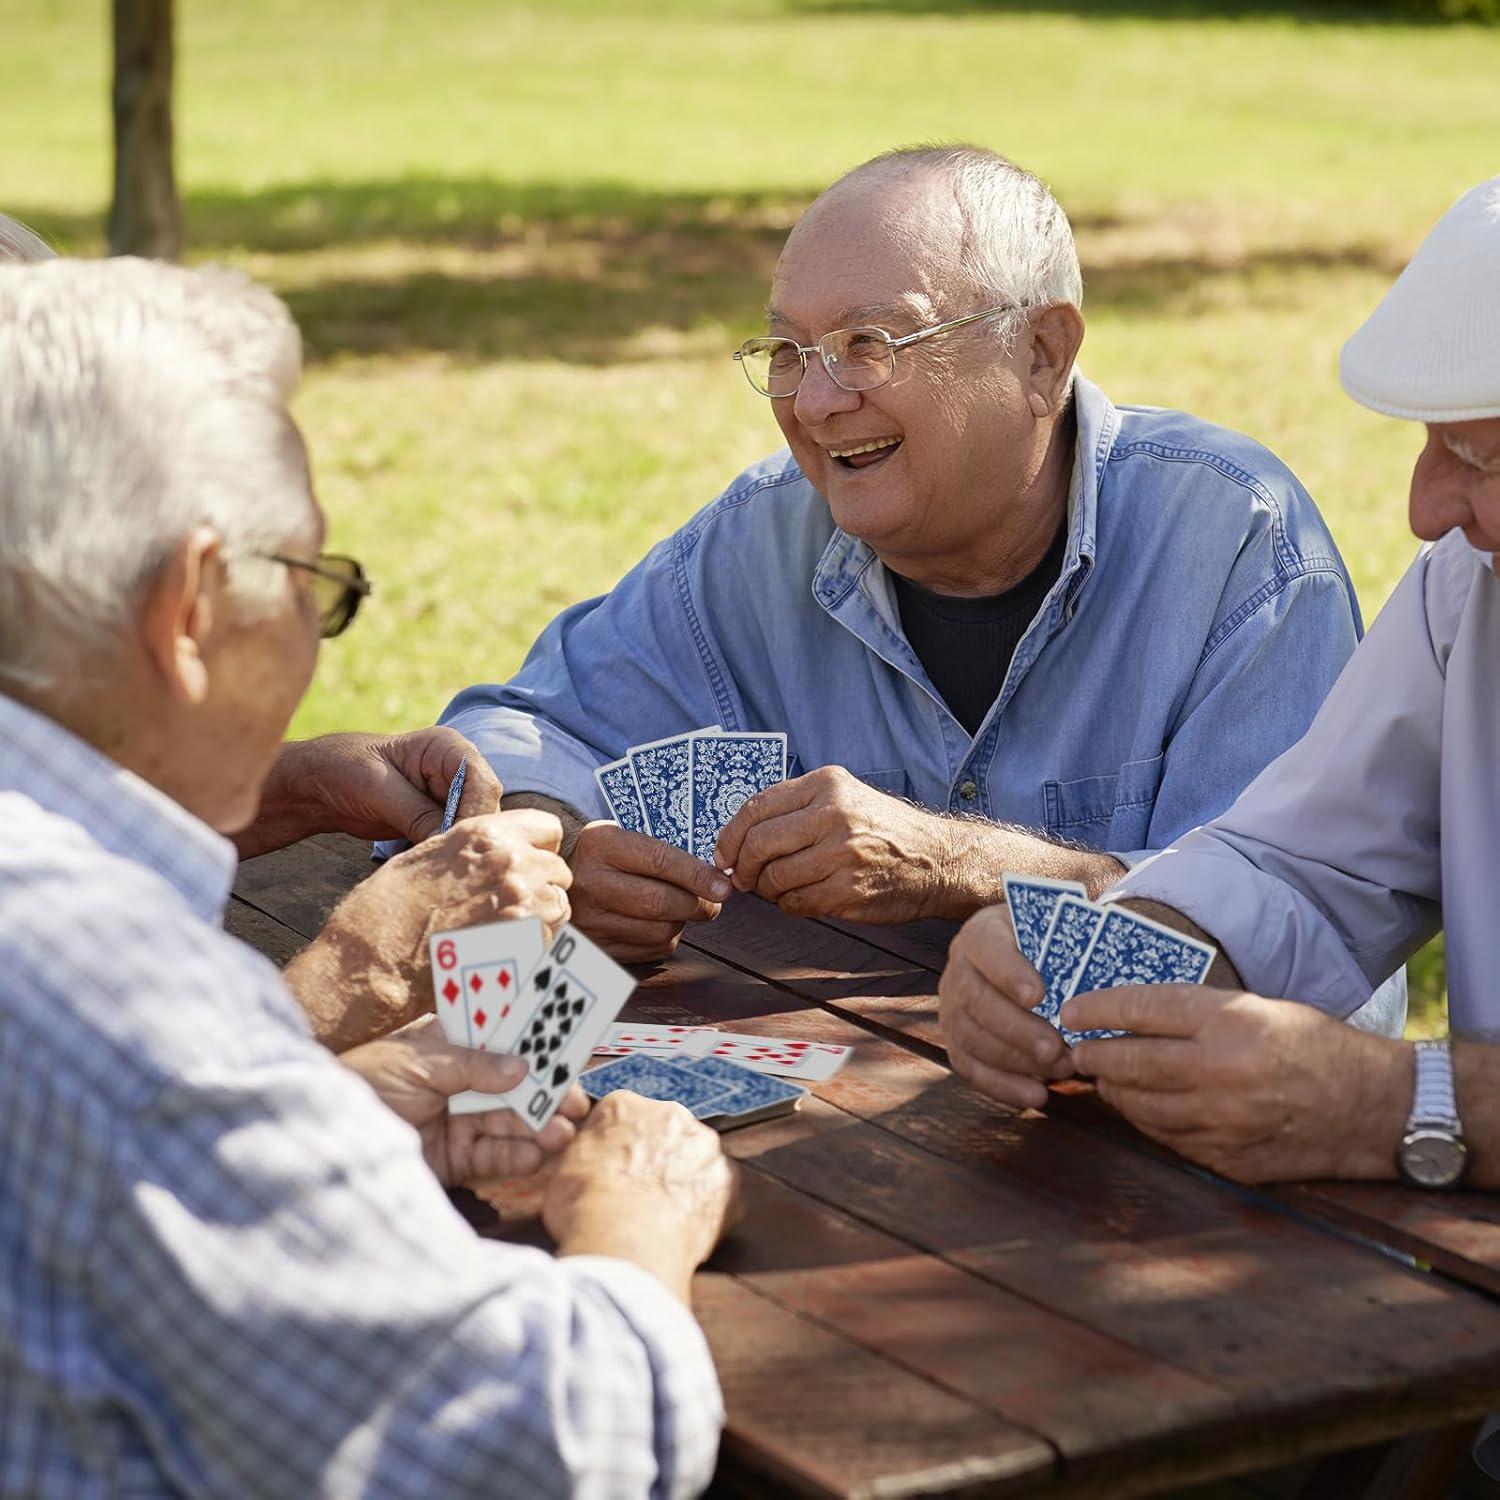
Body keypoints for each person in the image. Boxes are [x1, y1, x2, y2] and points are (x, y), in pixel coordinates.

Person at [0, 257, 738, 1497]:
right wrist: (637, 1210)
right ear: (188, 612)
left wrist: (336, 1110)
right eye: (314, 587)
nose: (315, 636)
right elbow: (553, 1444)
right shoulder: (127, 1004)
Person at [413, 146, 1391, 1030]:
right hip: (843, 1124)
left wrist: (959, 864)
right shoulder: (762, 536)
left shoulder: (1234, 540)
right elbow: (520, 728)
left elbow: (1303, 936)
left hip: (1138, 1141)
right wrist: (563, 845)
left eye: (870, 343)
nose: (815, 401)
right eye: (788, 352)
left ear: (1042, 353)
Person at [936, 176, 1500, 1193]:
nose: (1426, 509)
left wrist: (1394, 1102)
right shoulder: (1471, 586)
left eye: (1478, 455)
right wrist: (1105, 949)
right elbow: (1308, 864)